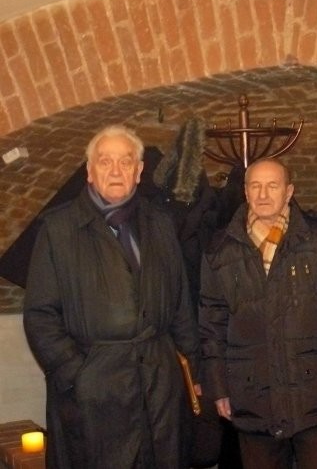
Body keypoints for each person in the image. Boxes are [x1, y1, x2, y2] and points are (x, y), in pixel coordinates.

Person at [23, 125, 200, 468]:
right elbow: (40, 315)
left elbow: (179, 301)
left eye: (125, 161)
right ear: (90, 171)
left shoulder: (160, 223)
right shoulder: (58, 229)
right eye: (105, 162)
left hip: (159, 382)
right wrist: (77, 373)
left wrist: (193, 367)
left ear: (139, 171)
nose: (116, 170)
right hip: (95, 388)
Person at [199, 157, 317, 469]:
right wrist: (218, 388)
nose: (263, 194)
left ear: (289, 191)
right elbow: (212, 322)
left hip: (316, 389)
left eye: (272, 186)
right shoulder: (221, 249)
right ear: (245, 192)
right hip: (252, 391)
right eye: (255, 186)